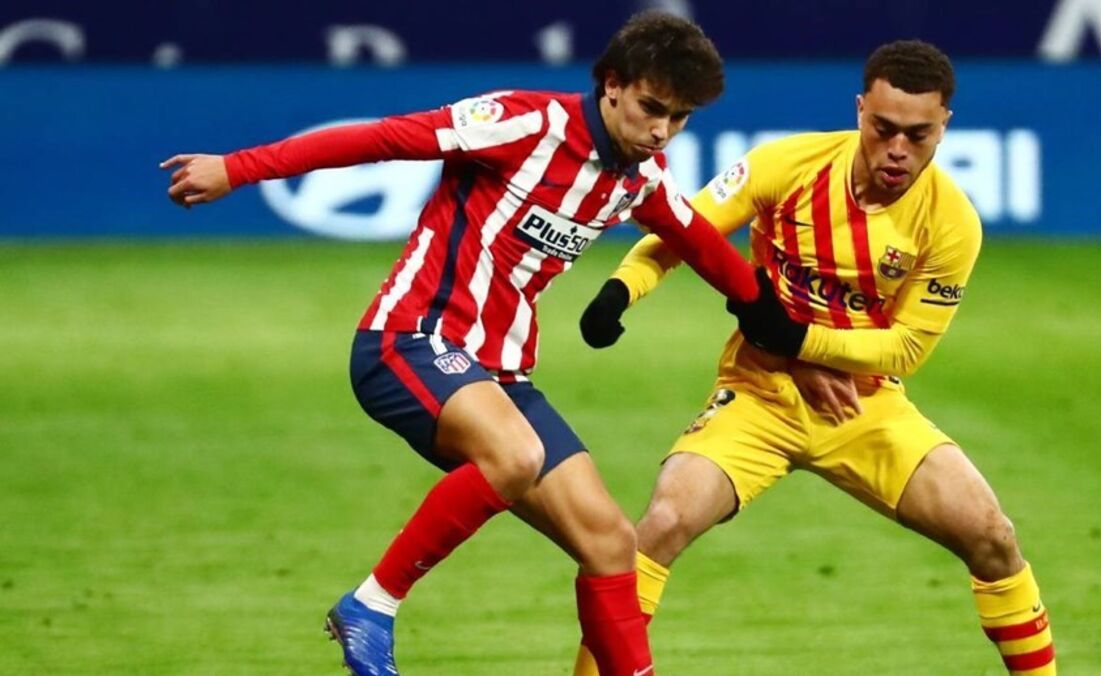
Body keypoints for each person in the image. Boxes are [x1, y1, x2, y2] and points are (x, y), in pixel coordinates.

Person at [160, 11, 776, 676]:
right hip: (410, 339)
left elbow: (702, 244)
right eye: (652, 108)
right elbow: (383, 139)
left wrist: (775, 322)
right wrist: (238, 168)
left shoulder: (639, 177)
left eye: (680, 118)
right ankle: (371, 605)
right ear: (611, 85)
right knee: (516, 455)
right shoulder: (524, 122)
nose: (661, 131)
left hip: (503, 376)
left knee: (611, 544)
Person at [575, 40, 1056, 675]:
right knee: (660, 526)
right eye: (883, 128)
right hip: (757, 397)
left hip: (865, 407)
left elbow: (906, 348)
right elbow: (685, 231)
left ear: (944, 126)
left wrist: (795, 339)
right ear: (859, 110)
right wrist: (621, 290)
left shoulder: (951, 223)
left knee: (993, 538)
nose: (897, 149)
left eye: (918, 135)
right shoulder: (788, 165)